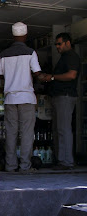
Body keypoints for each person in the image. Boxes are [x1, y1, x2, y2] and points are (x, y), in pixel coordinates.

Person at [0, 22, 42, 173]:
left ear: (13, 36)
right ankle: (25, 166)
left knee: (11, 133)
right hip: (26, 98)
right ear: (25, 35)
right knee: (27, 133)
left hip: (10, 99)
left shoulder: (4, 54)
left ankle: (10, 166)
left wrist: (11, 78)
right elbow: (37, 73)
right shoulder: (30, 52)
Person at [39, 32, 81, 170]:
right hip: (60, 96)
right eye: (56, 44)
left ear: (68, 43)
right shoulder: (65, 57)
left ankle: (66, 161)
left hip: (65, 96)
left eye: (59, 43)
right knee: (58, 129)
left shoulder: (71, 56)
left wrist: (51, 78)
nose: (57, 46)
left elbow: (71, 75)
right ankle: (62, 160)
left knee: (63, 129)